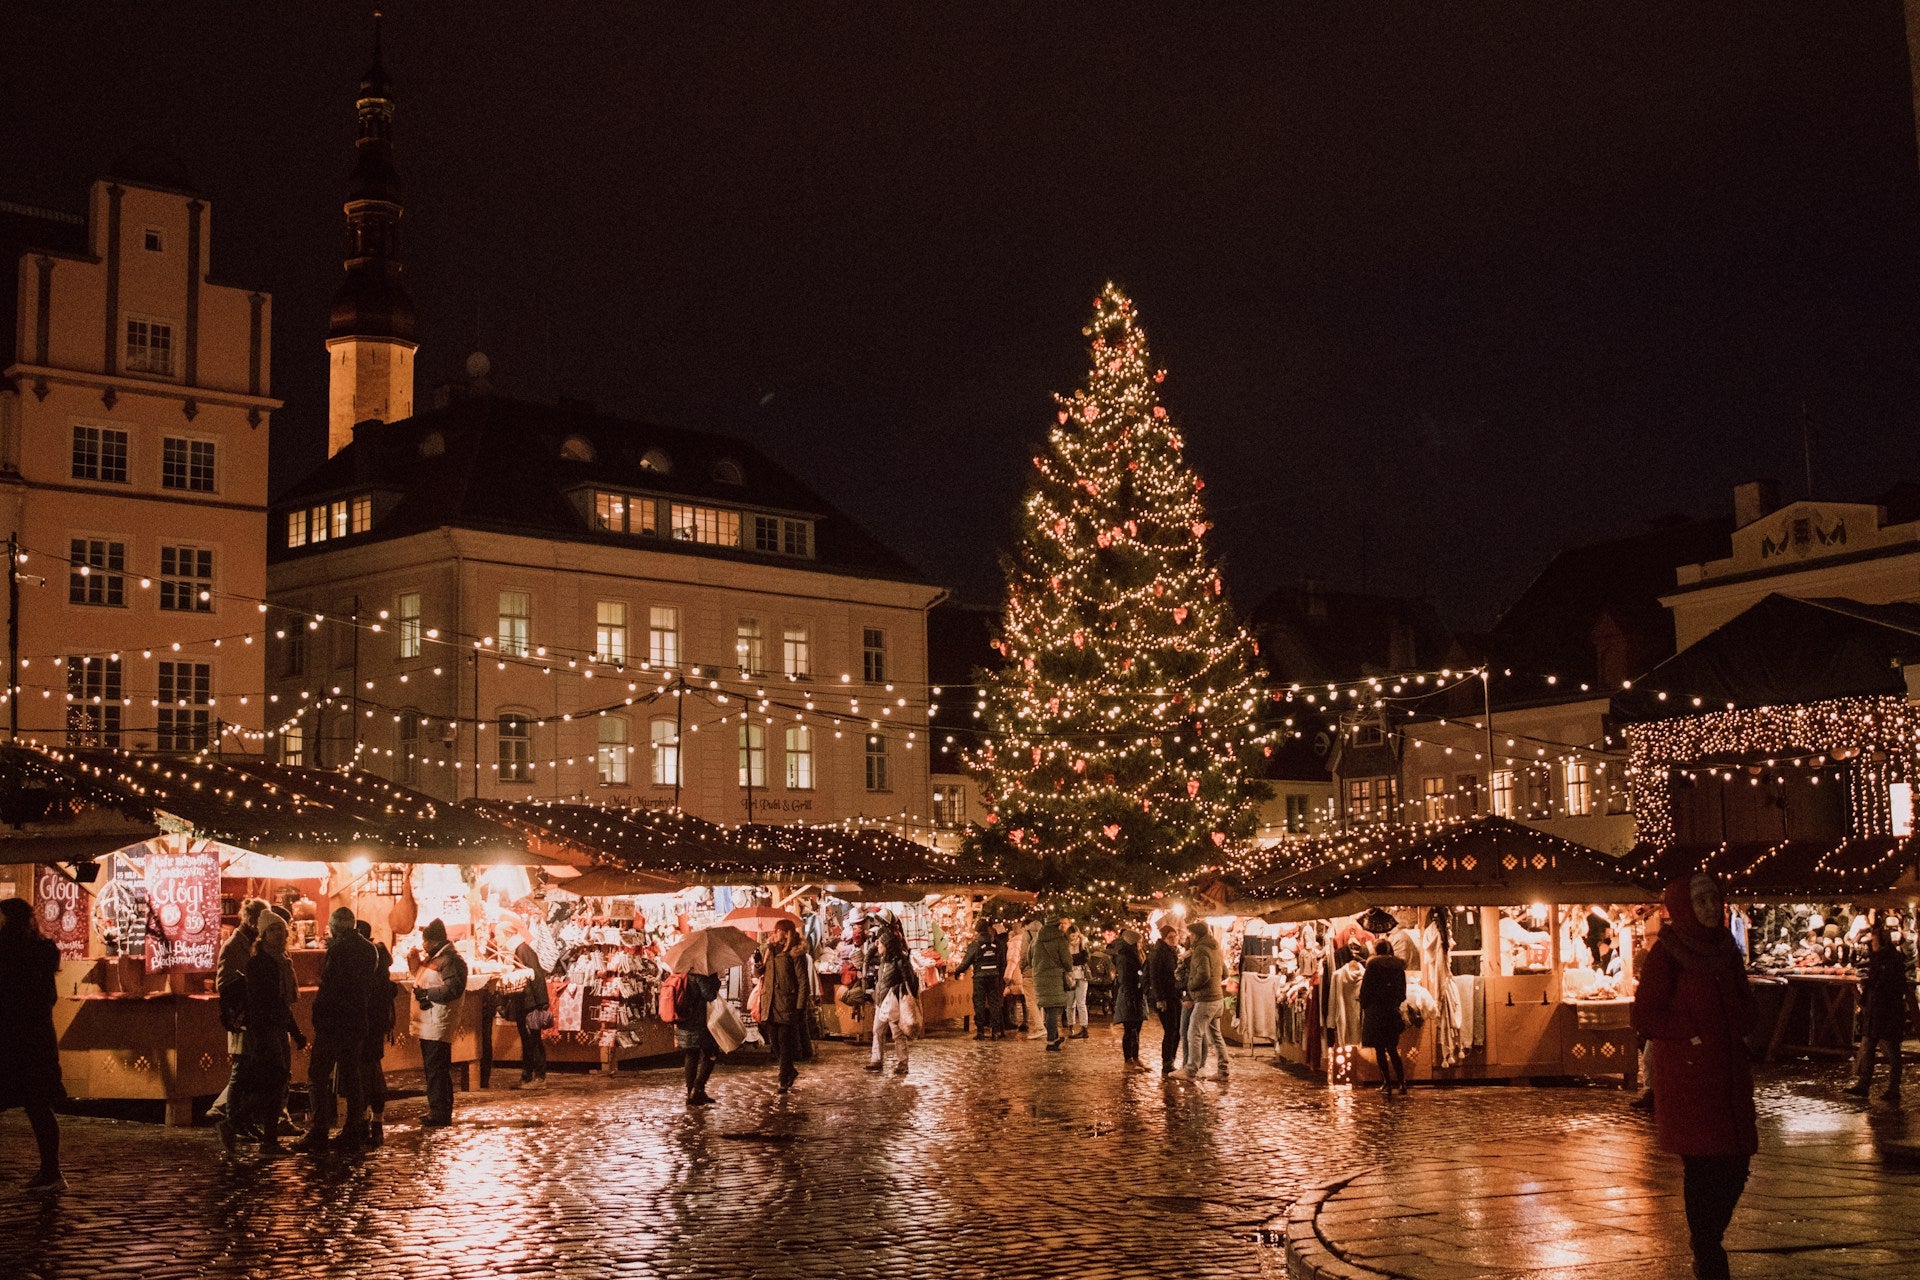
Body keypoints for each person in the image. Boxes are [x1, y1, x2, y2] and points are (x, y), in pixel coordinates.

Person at [1631, 874, 1758, 1280]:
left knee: (1737, 1163)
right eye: (1699, 901)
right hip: (1690, 1076)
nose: (1707, 908)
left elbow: (1742, 1000)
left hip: (1729, 1071)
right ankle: (1706, 1246)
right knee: (1703, 1167)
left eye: (1712, 899)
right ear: (1684, 906)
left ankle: (1707, 1238)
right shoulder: (1667, 953)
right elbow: (1646, 1014)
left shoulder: (1726, 947)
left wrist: (1743, 1020)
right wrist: (1690, 1029)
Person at [294, 908, 378, 1153]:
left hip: (334, 1022)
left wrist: (319, 1016)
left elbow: (330, 987)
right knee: (351, 1075)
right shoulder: (368, 949)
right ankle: (355, 1125)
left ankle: (319, 1128)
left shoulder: (339, 950)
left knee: (318, 1074)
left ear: (335, 927)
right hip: (356, 1020)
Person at [220, 910, 306, 1154]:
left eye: (280, 929)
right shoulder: (259, 963)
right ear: (263, 934)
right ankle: (237, 1124)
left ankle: (262, 1136)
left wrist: (295, 1033)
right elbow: (261, 1003)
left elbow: (284, 1003)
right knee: (274, 1082)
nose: (278, 934)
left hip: (277, 1028)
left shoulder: (282, 961)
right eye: (272, 930)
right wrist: (264, 1036)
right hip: (265, 1030)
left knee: (275, 1084)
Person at [0, 898, 66, 1191]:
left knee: (37, 1105)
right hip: (35, 1038)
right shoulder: (41, 950)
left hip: (17, 1037)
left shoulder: (12, 952)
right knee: (38, 1105)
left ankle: (51, 1172)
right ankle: (50, 1170)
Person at [209, 898, 268, 1122]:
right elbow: (223, 983)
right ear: (251, 920)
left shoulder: (254, 945)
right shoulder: (233, 946)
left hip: (253, 1015)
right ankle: (225, 1113)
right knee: (242, 1068)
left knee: (250, 1068)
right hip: (241, 1016)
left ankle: (235, 1115)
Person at [1847, 922, 1917, 1102]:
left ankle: (1893, 1088)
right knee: (1869, 1047)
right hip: (1876, 1010)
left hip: (1887, 1010)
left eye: (1874, 941)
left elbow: (1889, 985)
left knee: (1892, 1051)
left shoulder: (1892, 960)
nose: (1872, 943)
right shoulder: (1879, 959)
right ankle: (1864, 1084)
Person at [413, 918, 469, 1128]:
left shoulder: (450, 961)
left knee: (437, 1069)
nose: (423, 945)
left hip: (438, 1022)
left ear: (432, 941)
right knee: (435, 1068)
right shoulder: (439, 958)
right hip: (430, 1022)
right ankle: (437, 1109)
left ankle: (440, 1112)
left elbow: (453, 989)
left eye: (425, 941)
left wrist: (427, 994)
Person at [355, 919, 396, 1146]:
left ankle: (367, 1121)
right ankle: (373, 1121)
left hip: (366, 1024)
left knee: (365, 1073)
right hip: (376, 1025)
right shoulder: (380, 960)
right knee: (371, 1071)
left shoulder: (367, 959)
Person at [762, 918, 814, 1091]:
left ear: (785, 933)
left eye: (777, 931)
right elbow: (762, 972)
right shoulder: (770, 950)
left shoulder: (795, 953)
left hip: (787, 1003)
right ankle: (790, 1070)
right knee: (774, 1042)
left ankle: (783, 1079)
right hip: (770, 1003)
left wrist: (800, 1006)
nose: (774, 934)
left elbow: (803, 981)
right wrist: (758, 965)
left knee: (784, 1043)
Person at [866, 915, 919, 1075]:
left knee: (897, 1033)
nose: (877, 945)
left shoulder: (900, 961)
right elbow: (868, 958)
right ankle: (876, 1059)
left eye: (880, 943)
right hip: (881, 1001)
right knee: (877, 1030)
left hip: (894, 1002)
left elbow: (911, 981)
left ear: (887, 945)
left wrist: (904, 995)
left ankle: (903, 1063)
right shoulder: (883, 960)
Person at [1178, 920, 1227, 1081]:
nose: (1189, 937)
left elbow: (1203, 974)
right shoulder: (1216, 948)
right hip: (1218, 998)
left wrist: (1191, 986)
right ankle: (1223, 1071)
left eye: (1191, 934)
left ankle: (1190, 1070)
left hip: (1205, 999)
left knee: (1194, 1033)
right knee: (1216, 1035)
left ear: (1196, 935)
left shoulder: (1200, 950)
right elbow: (1225, 973)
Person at [1359, 938, 1409, 1095]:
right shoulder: (1398, 967)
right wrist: (1395, 1002)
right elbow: (1402, 991)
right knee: (1392, 1048)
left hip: (1376, 1011)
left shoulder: (1372, 966)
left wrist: (1365, 1004)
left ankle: (1387, 1083)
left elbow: (1366, 988)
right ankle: (1402, 1082)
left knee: (1380, 1049)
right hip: (1391, 1010)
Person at [505, 925, 550, 1091]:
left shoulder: (523, 950)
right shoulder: (517, 950)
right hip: (525, 1003)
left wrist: (541, 1003)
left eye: (499, 936)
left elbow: (536, 976)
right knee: (528, 1039)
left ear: (508, 934)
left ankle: (539, 1076)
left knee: (533, 1039)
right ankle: (528, 1075)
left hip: (531, 1003)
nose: (498, 940)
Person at [950, 920, 1007, 1040]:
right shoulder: (996, 943)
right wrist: (999, 974)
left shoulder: (976, 944)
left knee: (979, 1003)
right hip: (994, 977)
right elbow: (1002, 962)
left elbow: (967, 961)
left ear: (977, 930)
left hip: (980, 977)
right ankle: (995, 1031)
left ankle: (980, 1031)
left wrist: (958, 971)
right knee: (994, 1003)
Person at [673, 970, 723, 1106]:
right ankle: (698, 1088)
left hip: (684, 1022)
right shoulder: (700, 976)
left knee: (691, 1055)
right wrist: (715, 980)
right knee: (711, 1053)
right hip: (698, 1023)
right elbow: (710, 995)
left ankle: (692, 1094)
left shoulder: (682, 973)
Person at [1146, 921, 1184, 1073]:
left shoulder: (1173, 951)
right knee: (1170, 1029)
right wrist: (1160, 999)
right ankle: (1166, 1061)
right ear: (1164, 938)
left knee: (1177, 1029)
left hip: (1174, 995)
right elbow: (1155, 977)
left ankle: (1171, 1059)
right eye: (1170, 937)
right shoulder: (1159, 953)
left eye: (1175, 936)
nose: (1174, 939)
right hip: (1165, 997)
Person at [1032, 916, 1073, 1051]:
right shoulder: (1060, 940)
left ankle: (1054, 1037)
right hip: (1054, 977)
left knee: (1049, 1008)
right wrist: (1068, 969)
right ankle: (1051, 1042)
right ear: (1057, 926)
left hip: (1039, 976)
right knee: (1052, 1010)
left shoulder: (1037, 939)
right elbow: (1067, 961)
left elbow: (1028, 956)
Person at [1111, 926, 1147, 1071]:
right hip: (1129, 995)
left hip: (1137, 995)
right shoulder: (1125, 957)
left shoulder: (1137, 955)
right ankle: (1128, 1060)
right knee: (1130, 1029)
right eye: (1139, 943)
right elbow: (1126, 978)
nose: (1141, 945)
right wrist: (1139, 979)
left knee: (1137, 1029)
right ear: (1133, 943)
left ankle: (1135, 1057)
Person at [1064, 925, 1091, 1038]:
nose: (1074, 938)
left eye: (1075, 935)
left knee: (1081, 1002)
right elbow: (1066, 959)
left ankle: (1084, 1028)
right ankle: (1071, 1026)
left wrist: (1073, 958)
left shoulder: (1083, 943)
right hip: (1070, 976)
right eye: (1072, 936)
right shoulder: (1065, 944)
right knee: (1070, 1003)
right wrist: (1076, 958)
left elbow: (1085, 957)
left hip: (1081, 975)